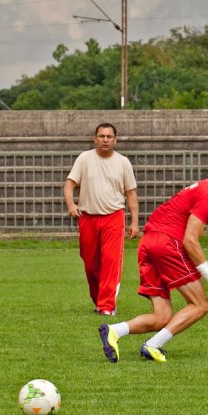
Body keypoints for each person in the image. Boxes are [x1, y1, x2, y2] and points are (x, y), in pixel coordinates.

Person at [98, 151, 208, 363]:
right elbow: (190, 240)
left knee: (162, 317)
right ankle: (153, 345)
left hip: (149, 242)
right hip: (166, 244)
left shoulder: (206, 187)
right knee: (200, 305)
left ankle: (114, 331)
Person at [64, 123, 139, 316]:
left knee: (110, 262)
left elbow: (131, 194)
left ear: (115, 139)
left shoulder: (123, 163)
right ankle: (99, 300)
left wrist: (134, 222)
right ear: (95, 139)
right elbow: (69, 184)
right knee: (90, 264)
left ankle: (107, 306)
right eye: (101, 136)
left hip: (114, 217)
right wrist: (71, 205)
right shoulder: (84, 158)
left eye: (109, 136)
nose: (105, 140)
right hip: (88, 218)